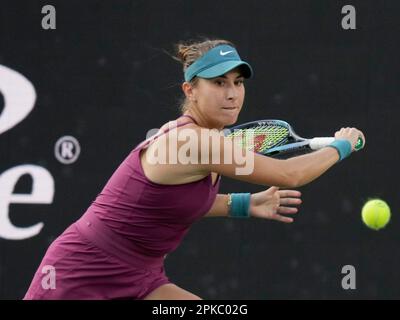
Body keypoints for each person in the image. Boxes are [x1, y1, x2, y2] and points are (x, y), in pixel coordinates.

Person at [24, 38, 365, 300]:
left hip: (142, 273)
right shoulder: (195, 143)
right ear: (190, 90)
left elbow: (170, 204)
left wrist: (245, 204)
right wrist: (343, 145)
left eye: (238, 82)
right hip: (82, 270)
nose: (232, 94)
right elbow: (291, 175)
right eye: (219, 83)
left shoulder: (208, 140)